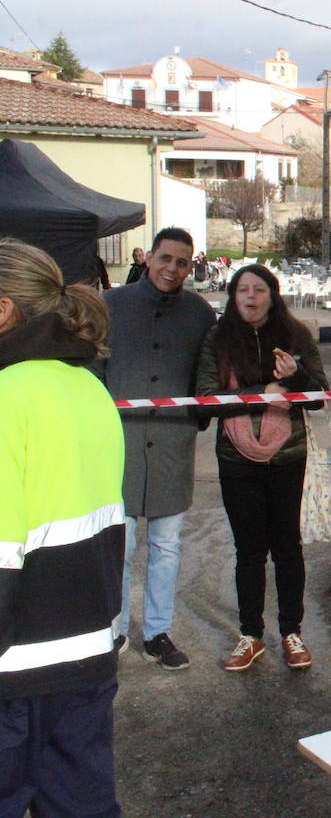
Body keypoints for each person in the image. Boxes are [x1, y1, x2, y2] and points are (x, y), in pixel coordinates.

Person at [0, 238, 125, 816]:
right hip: (86, 651)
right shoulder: (89, 388)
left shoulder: (7, 394)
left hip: (15, 667)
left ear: (3, 309)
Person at [195, 265, 327, 671]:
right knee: (249, 550)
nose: (250, 297)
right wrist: (262, 393)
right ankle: (251, 634)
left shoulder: (296, 335)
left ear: (273, 294)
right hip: (236, 460)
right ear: (233, 298)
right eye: (242, 291)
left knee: (287, 546)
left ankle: (292, 632)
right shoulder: (218, 339)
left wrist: (298, 375)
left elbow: (318, 396)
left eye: (259, 289)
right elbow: (205, 397)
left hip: (288, 456)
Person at [102, 227, 216, 669]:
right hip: (120, 443)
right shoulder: (111, 305)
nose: (172, 268)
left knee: (167, 546)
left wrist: (195, 418)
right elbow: (93, 365)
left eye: (182, 262)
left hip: (172, 444)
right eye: (165, 258)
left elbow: (209, 373)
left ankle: (157, 632)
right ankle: (113, 630)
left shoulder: (200, 312)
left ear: (191, 266)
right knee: (121, 544)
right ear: (149, 257)